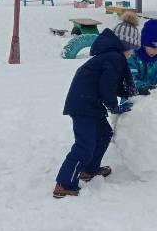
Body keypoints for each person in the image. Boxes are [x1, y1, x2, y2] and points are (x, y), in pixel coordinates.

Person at [53, 28, 136, 199]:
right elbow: (107, 85)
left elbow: (115, 84)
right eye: (133, 48)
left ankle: (88, 170)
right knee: (85, 145)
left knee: (104, 134)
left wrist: (136, 92)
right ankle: (64, 183)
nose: (133, 53)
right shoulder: (115, 57)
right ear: (126, 45)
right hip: (83, 105)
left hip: (90, 103)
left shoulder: (111, 57)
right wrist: (114, 107)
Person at [125, 18, 157, 94]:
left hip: (151, 98)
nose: (156, 51)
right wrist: (143, 87)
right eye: (153, 47)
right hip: (132, 97)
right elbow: (130, 79)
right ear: (144, 44)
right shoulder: (132, 56)